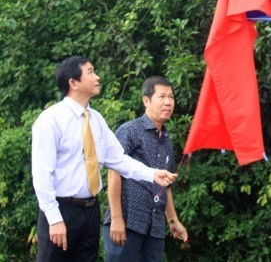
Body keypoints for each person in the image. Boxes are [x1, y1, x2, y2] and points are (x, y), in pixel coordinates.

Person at [32, 56, 177, 261]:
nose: (97, 77)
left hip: (90, 211)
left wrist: (152, 174)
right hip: (61, 209)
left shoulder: (96, 119)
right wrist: (54, 219)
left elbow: (119, 159)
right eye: (90, 72)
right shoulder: (50, 120)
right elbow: (42, 174)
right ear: (73, 83)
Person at [103, 76, 188, 261]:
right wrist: (116, 218)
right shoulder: (130, 130)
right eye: (162, 96)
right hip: (127, 222)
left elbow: (166, 186)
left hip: (155, 226)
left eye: (171, 97)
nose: (168, 102)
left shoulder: (167, 140)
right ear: (146, 100)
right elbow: (113, 172)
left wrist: (173, 221)